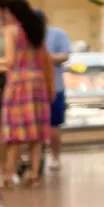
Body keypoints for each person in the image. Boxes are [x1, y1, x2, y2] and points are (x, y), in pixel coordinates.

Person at [0, 0, 53, 188]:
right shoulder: (36, 30)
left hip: (18, 84)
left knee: (14, 133)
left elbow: (9, 61)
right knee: (36, 135)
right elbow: (45, 59)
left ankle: (8, 175)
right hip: (37, 83)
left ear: (10, 12)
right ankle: (33, 175)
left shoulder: (11, 31)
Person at [44, 21, 72, 171]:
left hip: (55, 88)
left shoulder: (57, 34)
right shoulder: (27, 36)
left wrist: (44, 58)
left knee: (54, 125)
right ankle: (36, 161)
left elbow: (65, 56)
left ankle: (55, 157)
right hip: (33, 91)